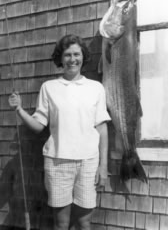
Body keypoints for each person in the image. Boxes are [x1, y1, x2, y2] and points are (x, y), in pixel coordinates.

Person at [9, 34, 111, 230]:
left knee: (84, 222)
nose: (73, 59)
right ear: (60, 58)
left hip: (88, 163)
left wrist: (103, 166)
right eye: (67, 55)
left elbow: (102, 128)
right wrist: (19, 110)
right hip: (57, 163)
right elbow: (39, 125)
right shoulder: (49, 88)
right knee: (61, 223)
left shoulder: (96, 88)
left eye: (76, 54)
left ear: (83, 56)